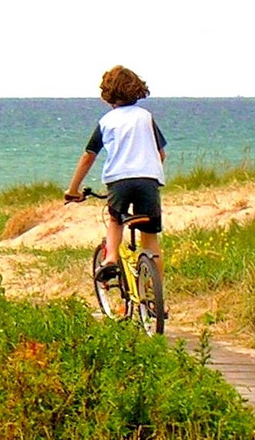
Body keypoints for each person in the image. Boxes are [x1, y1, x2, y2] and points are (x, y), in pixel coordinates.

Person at [64, 66, 166, 287]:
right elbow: (161, 154)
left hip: (119, 181)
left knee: (115, 220)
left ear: (107, 93)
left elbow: (88, 156)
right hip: (148, 179)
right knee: (150, 239)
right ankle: (157, 298)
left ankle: (110, 258)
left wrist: (73, 190)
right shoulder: (146, 117)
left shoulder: (106, 121)